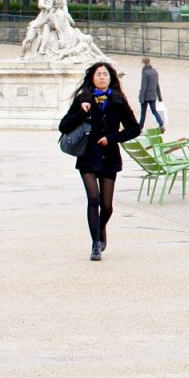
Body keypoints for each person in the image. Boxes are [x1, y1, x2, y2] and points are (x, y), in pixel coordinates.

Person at [58, 62, 141, 261]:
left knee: (107, 205)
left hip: (109, 155)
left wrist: (112, 138)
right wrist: (82, 112)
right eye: (98, 75)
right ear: (92, 78)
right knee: (93, 199)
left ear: (110, 78)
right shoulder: (83, 99)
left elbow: (134, 128)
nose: (102, 78)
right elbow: (63, 126)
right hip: (88, 155)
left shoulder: (118, 100)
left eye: (105, 74)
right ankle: (96, 243)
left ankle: (100, 225)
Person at [138, 57, 165, 131]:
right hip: (153, 95)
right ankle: (161, 124)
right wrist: (159, 97)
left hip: (145, 96)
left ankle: (140, 127)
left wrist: (141, 98)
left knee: (143, 112)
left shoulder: (145, 73)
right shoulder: (155, 72)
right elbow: (157, 85)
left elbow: (143, 86)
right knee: (154, 111)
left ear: (143, 63)